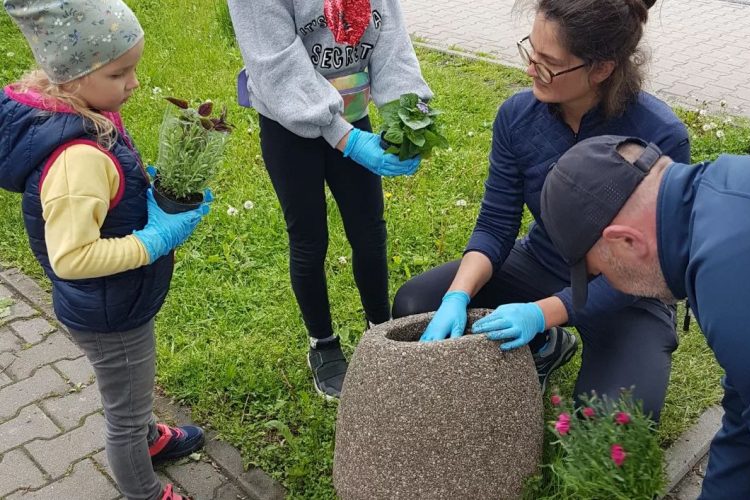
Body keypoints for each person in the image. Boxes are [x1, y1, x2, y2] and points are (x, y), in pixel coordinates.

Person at [392, 0, 690, 419]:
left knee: (614, 426)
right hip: (543, 261)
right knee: (415, 305)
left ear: (601, 69)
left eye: (548, 63)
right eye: (531, 51)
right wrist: (458, 295)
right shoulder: (518, 117)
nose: (531, 68)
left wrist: (542, 312)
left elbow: (658, 266)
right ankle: (545, 345)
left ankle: (548, 331)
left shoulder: (661, 137)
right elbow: (496, 223)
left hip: (629, 291)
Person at [1, 1, 211, 499]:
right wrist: (153, 240)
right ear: (73, 77)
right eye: (120, 72)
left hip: (115, 301)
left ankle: (150, 439)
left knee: (132, 388)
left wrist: (142, 184)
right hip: (109, 311)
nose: (133, 83)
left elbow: (105, 195)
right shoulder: (77, 158)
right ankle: (142, 488)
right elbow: (71, 258)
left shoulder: (84, 115)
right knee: (124, 409)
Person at [540, 134, 750, 499]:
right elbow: (746, 414)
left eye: (600, 272)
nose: (613, 285)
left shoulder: (730, 275)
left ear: (627, 241)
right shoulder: (725, 193)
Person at [228, 0, 432, 399]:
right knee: (309, 240)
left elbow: (392, 44)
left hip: (354, 116)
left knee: (369, 231)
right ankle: (322, 344)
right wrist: (344, 138)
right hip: (290, 123)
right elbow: (276, 64)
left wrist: (410, 114)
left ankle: (380, 333)